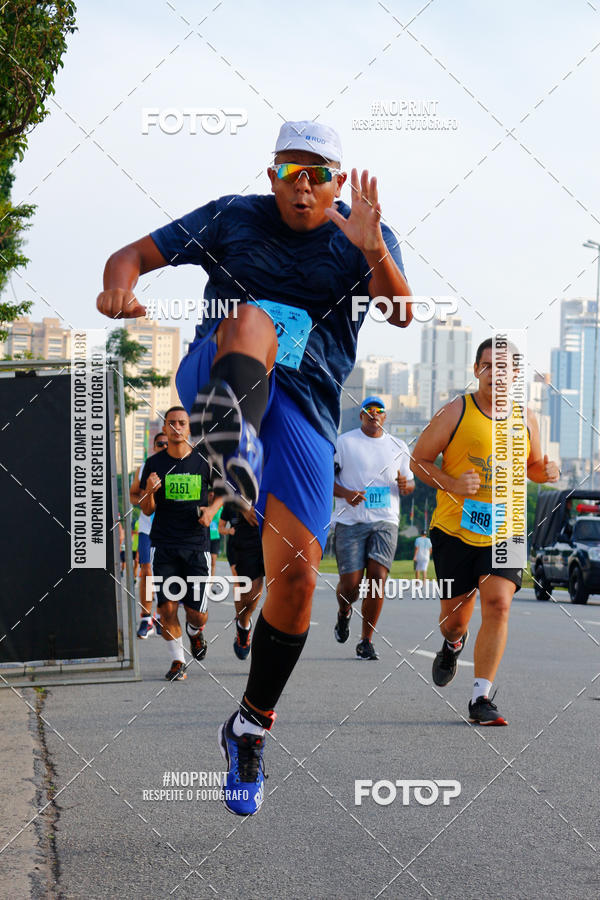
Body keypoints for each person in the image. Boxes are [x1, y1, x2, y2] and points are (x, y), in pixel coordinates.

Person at [96, 120, 412, 814]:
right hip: (221, 375)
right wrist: (116, 287)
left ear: (338, 177)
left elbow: (401, 311)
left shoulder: (364, 230)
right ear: (270, 174)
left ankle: (250, 724)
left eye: (318, 175)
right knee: (250, 321)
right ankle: (227, 445)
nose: (303, 188)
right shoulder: (233, 216)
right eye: (289, 172)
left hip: (303, 406)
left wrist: (373, 254)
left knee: (298, 575)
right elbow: (131, 256)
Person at [410, 339, 559, 725]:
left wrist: (546, 472)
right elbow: (418, 461)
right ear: (477, 370)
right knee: (454, 620)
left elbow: (533, 467)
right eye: (490, 365)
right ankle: (452, 644)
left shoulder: (527, 417)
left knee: (499, 604)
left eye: (506, 367)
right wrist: (450, 483)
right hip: (455, 530)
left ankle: (481, 697)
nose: (498, 373)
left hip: (507, 530)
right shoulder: (455, 411)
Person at [139, 406, 223, 680]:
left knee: (196, 615)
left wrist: (210, 512)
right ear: (164, 428)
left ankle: (195, 633)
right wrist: (150, 492)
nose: (176, 427)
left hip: (197, 546)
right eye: (171, 423)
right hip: (163, 544)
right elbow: (147, 509)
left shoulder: (205, 460)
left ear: (190, 428)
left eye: (182, 423)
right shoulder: (154, 464)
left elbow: (224, 492)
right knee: (166, 608)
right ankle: (178, 661)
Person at [332, 396, 414, 659]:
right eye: (369, 411)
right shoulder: (345, 442)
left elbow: (409, 483)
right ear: (361, 416)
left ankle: (366, 640)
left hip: (385, 520)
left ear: (385, 417)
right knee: (351, 585)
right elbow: (326, 479)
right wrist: (346, 493)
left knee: (378, 577)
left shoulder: (398, 446)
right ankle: (344, 612)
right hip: (350, 520)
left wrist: (405, 486)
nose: (374, 415)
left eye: (379, 411)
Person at [130, 431, 169, 638]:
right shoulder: (145, 468)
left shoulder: (179, 466)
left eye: (166, 443)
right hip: (148, 528)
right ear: (154, 447)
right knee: (146, 571)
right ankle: (146, 618)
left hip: (171, 529)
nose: (163, 446)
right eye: (159, 443)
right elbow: (132, 495)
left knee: (168, 574)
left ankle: (163, 616)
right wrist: (147, 496)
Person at [221, 501, 265, 660]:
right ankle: (243, 625)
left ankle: (270, 650)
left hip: (273, 529)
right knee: (248, 594)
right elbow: (228, 481)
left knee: (282, 592)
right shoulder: (230, 504)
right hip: (242, 542)